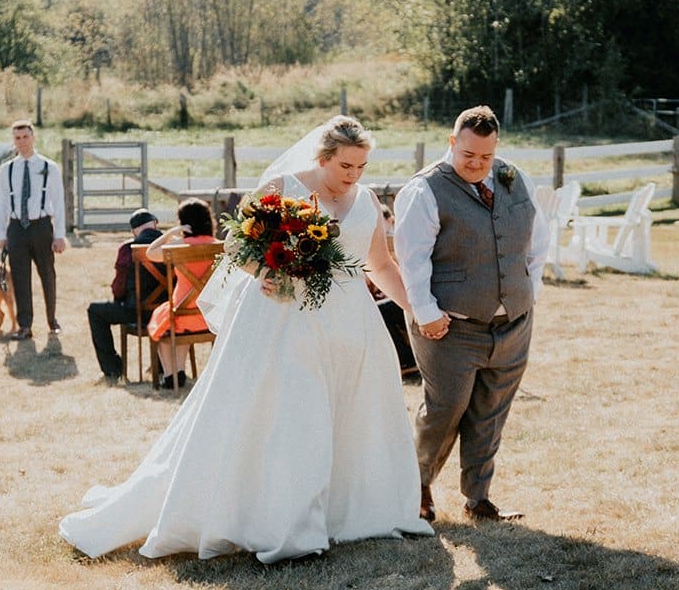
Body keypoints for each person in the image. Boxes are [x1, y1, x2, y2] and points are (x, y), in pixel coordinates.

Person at [59, 115, 435, 563]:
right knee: (299, 414)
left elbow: (382, 266)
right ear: (323, 157)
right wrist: (269, 274)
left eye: (361, 167)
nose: (352, 176)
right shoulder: (283, 187)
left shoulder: (367, 202)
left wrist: (419, 309)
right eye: (345, 166)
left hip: (352, 326)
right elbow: (237, 248)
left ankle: (350, 513)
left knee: (352, 414)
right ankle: (289, 523)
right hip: (285, 321)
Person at [394, 105, 552, 523]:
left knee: (492, 408)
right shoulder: (424, 190)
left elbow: (537, 243)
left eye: (485, 157)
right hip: (449, 327)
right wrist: (426, 312)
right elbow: (412, 260)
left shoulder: (516, 180)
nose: (477, 165)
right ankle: (416, 488)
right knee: (445, 407)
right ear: (452, 143)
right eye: (468, 156)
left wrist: (527, 293)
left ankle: (478, 498)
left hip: (513, 322)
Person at [0, 120, 68, 339]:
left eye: (26, 137)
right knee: (20, 277)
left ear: (33, 138)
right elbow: (2, 204)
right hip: (17, 227)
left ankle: (52, 319)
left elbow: (59, 202)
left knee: (47, 274)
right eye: (18, 138)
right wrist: (2, 234)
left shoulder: (48, 167)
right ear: (13, 141)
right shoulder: (7, 170)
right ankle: (25, 325)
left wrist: (59, 235)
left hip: (41, 225)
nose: (22, 142)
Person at [144, 198, 218, 389]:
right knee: (173, 320)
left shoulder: (178, 246)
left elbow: (150, 253)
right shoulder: (219, 246)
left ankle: (172, 373)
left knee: (164, 319)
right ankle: (178, 372)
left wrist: (170, 233)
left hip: (182, 312)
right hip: (211, 314)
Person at [87, 208, 163, 382]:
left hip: (135, 311)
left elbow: (118, 288)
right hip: (167, 311)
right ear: (155, 224)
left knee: (95, 311)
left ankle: (113, 369)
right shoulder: (171, 246)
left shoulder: (128, 249)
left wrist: (119, 299)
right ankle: (161, 365)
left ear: (134, 230)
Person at [367, 202, 419, 379]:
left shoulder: (398, 239)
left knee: (380, 311)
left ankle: (407, 360)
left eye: (382, 221)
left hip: (406, 294)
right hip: (390, 294)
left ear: (390, 221)